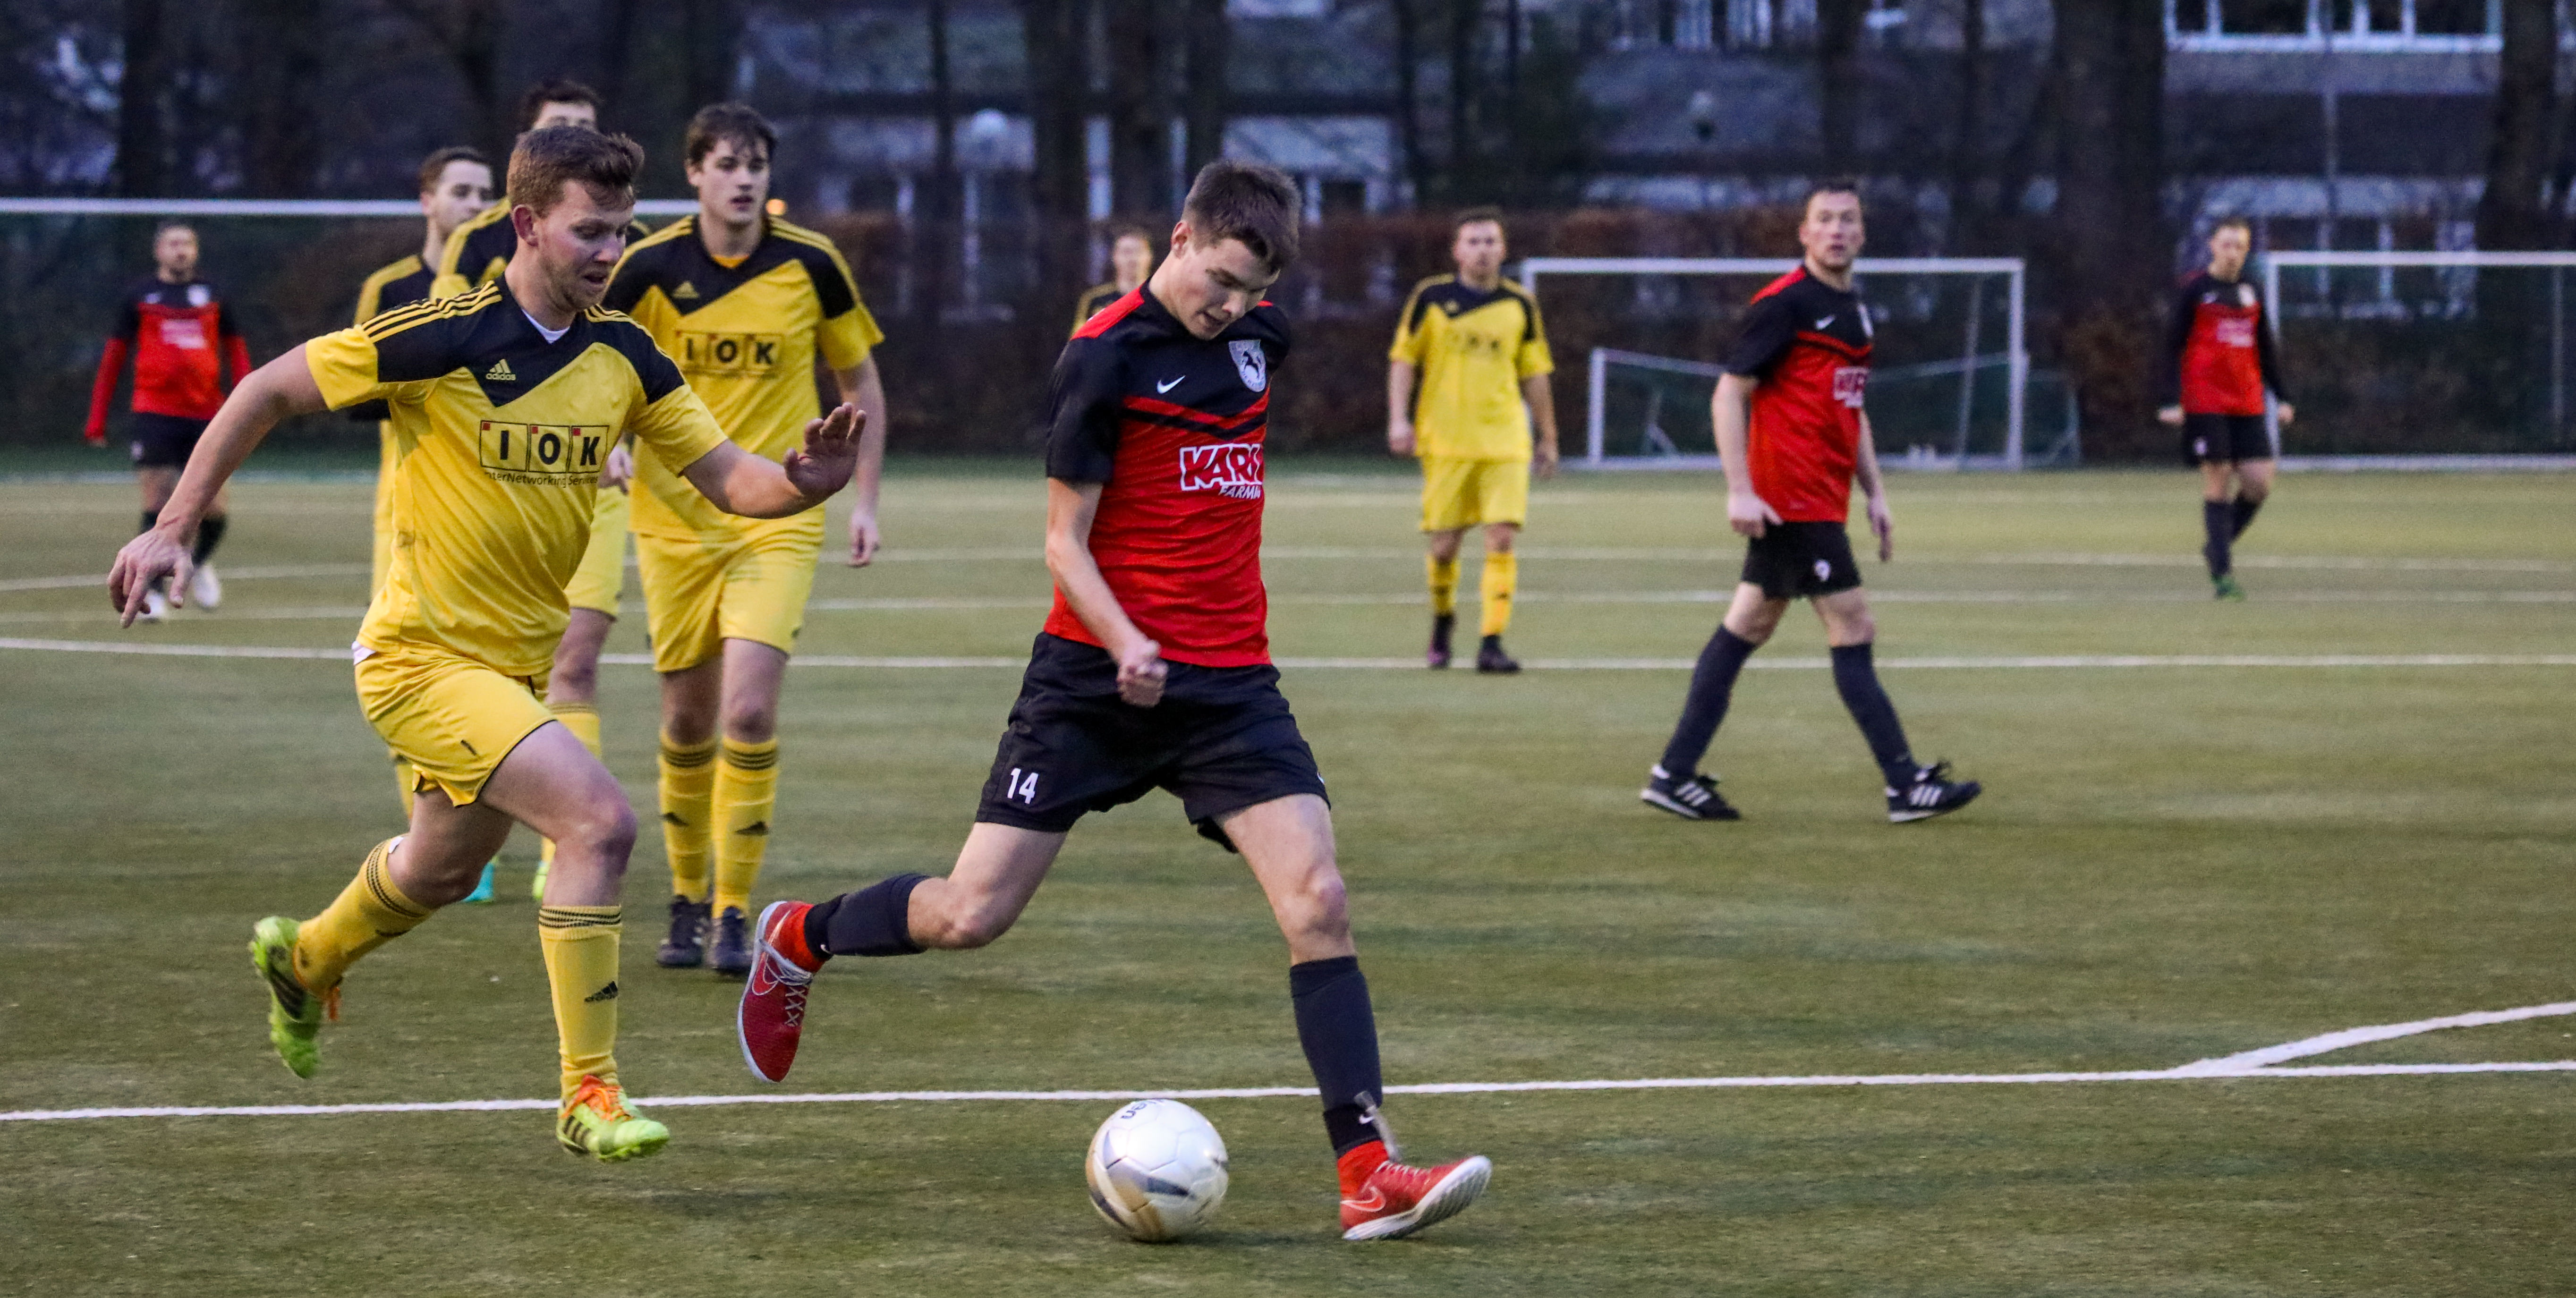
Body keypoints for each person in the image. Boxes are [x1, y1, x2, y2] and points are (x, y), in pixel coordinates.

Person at [733, 161, 1492, 1242]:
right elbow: (1063, 543)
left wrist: (1180, 641)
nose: (1230, 306)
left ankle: (1367, 1170)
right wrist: (1129, 638)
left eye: (1253, 290)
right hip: (1093, 681)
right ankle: (800, 935)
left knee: (1318, 898)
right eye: (1220, 279)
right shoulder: (1102, 358)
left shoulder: (1261, 339)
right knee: (970, 913)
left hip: (1228, 688)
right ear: (1181, 236)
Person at [108, 126, 864, 1161]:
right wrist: (173, 524)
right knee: (598, 823)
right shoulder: (443, 334)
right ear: (527, 225)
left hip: (510, 673)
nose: (611, 252)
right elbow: (267, 388)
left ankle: (307, 959)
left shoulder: (626, 354)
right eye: (589, 231)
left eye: (622, 230)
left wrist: (802, 484)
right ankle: (588, 1090)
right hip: (419, 661)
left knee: (437, 869)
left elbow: (734, 479)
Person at [600, 103, 890, 976]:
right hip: (673, 520)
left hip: (779, 516)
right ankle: (686, 896)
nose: (743, 178)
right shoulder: (648, 266)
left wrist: (865, 499)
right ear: (693, 172)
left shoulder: (812, 263)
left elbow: (860, 379)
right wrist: (609, 436)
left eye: (755, 164)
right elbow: (591, 358)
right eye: (726, 163)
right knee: (687, 720)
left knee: (750, 710)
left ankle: (733, 906)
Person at [1639, 180, 1981, 825]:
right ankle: (1904, 783)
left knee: (1747, 626)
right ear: (1803, 233)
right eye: (1823, 220)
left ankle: (1673, 774)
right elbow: (1728, 394)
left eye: (1847, 220)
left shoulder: (1854, 311)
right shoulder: (1784, 304)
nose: (1835, 230)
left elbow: (1850, 410)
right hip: (1790, 500)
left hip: (1821, 498)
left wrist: (1875, 494)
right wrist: (1739, 488)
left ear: (1862, 233)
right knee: (1852, 625)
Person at [430, 79, 646, 905]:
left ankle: (567, 845)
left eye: (587, 127)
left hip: (592, 479)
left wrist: (611, 434)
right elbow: (449, 362)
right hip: (496, 480)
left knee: (576, 661)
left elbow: (619, 359)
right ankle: (463, 841)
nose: (605, 247)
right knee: (474, 675)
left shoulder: (616, 241)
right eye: (561, 128)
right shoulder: (480, 243)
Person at [352, 146, 511, 898]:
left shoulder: (506, 290)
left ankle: (473, 833)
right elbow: (359, 392)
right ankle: (433, 838)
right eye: (460, 191)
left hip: (492, 510)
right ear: (427, 199)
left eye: (484, 193)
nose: (473, 204)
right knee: (407, 665)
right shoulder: (392, 290)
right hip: (406, 509)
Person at [1386, 208, 1558, 673]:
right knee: (1444, 547)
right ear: (1457, 250)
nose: (1483, 250)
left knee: (1501, 538)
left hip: (1505, 439)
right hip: (1446, 440)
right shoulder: (1430, 297)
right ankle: (1443, 620)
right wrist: (1398, 420)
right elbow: (1404, 359)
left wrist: (1548, 437)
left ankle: (1491, 642)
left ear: (1503, 249)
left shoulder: (1520, 304)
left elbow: (1535, 373)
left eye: (1490, 241)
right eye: (1473, 241)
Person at [84, 221, 255, 622]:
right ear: (158, 251)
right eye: (173, 244)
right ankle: (153, 592)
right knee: (157, 503)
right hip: (154, 413)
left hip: (208, 415)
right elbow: (112, 360)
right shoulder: (139, 296)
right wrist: (97, 419)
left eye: (188, 243)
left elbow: (237, 353)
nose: (181, 250)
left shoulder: (214, 294)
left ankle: (194, 562)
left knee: (214, 510)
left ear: (196, 250)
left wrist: (247, 407)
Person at [2157, 216, 2293, 601]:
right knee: (2218, 477)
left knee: (2259, 483)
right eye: (2226, 245)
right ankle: (2222, 575)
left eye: (2240, 246)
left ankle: (2216, 546)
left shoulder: (2252, 291)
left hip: (2246, 400)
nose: (2232, 253)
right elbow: (2171, 345)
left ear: (2246, 251)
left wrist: (2282, 396)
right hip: (2205, 400)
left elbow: (2265, 346)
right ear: (2212, 247)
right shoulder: (2195, 290)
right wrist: (2170, 399)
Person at [1071, 226, 1156, 332]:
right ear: (1115, 256)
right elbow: (1080, 338)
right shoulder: (1096, 300)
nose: (1133, 259)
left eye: (1139, 252)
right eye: (1127, 252)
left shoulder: (1159, 298)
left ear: (1150, 256)